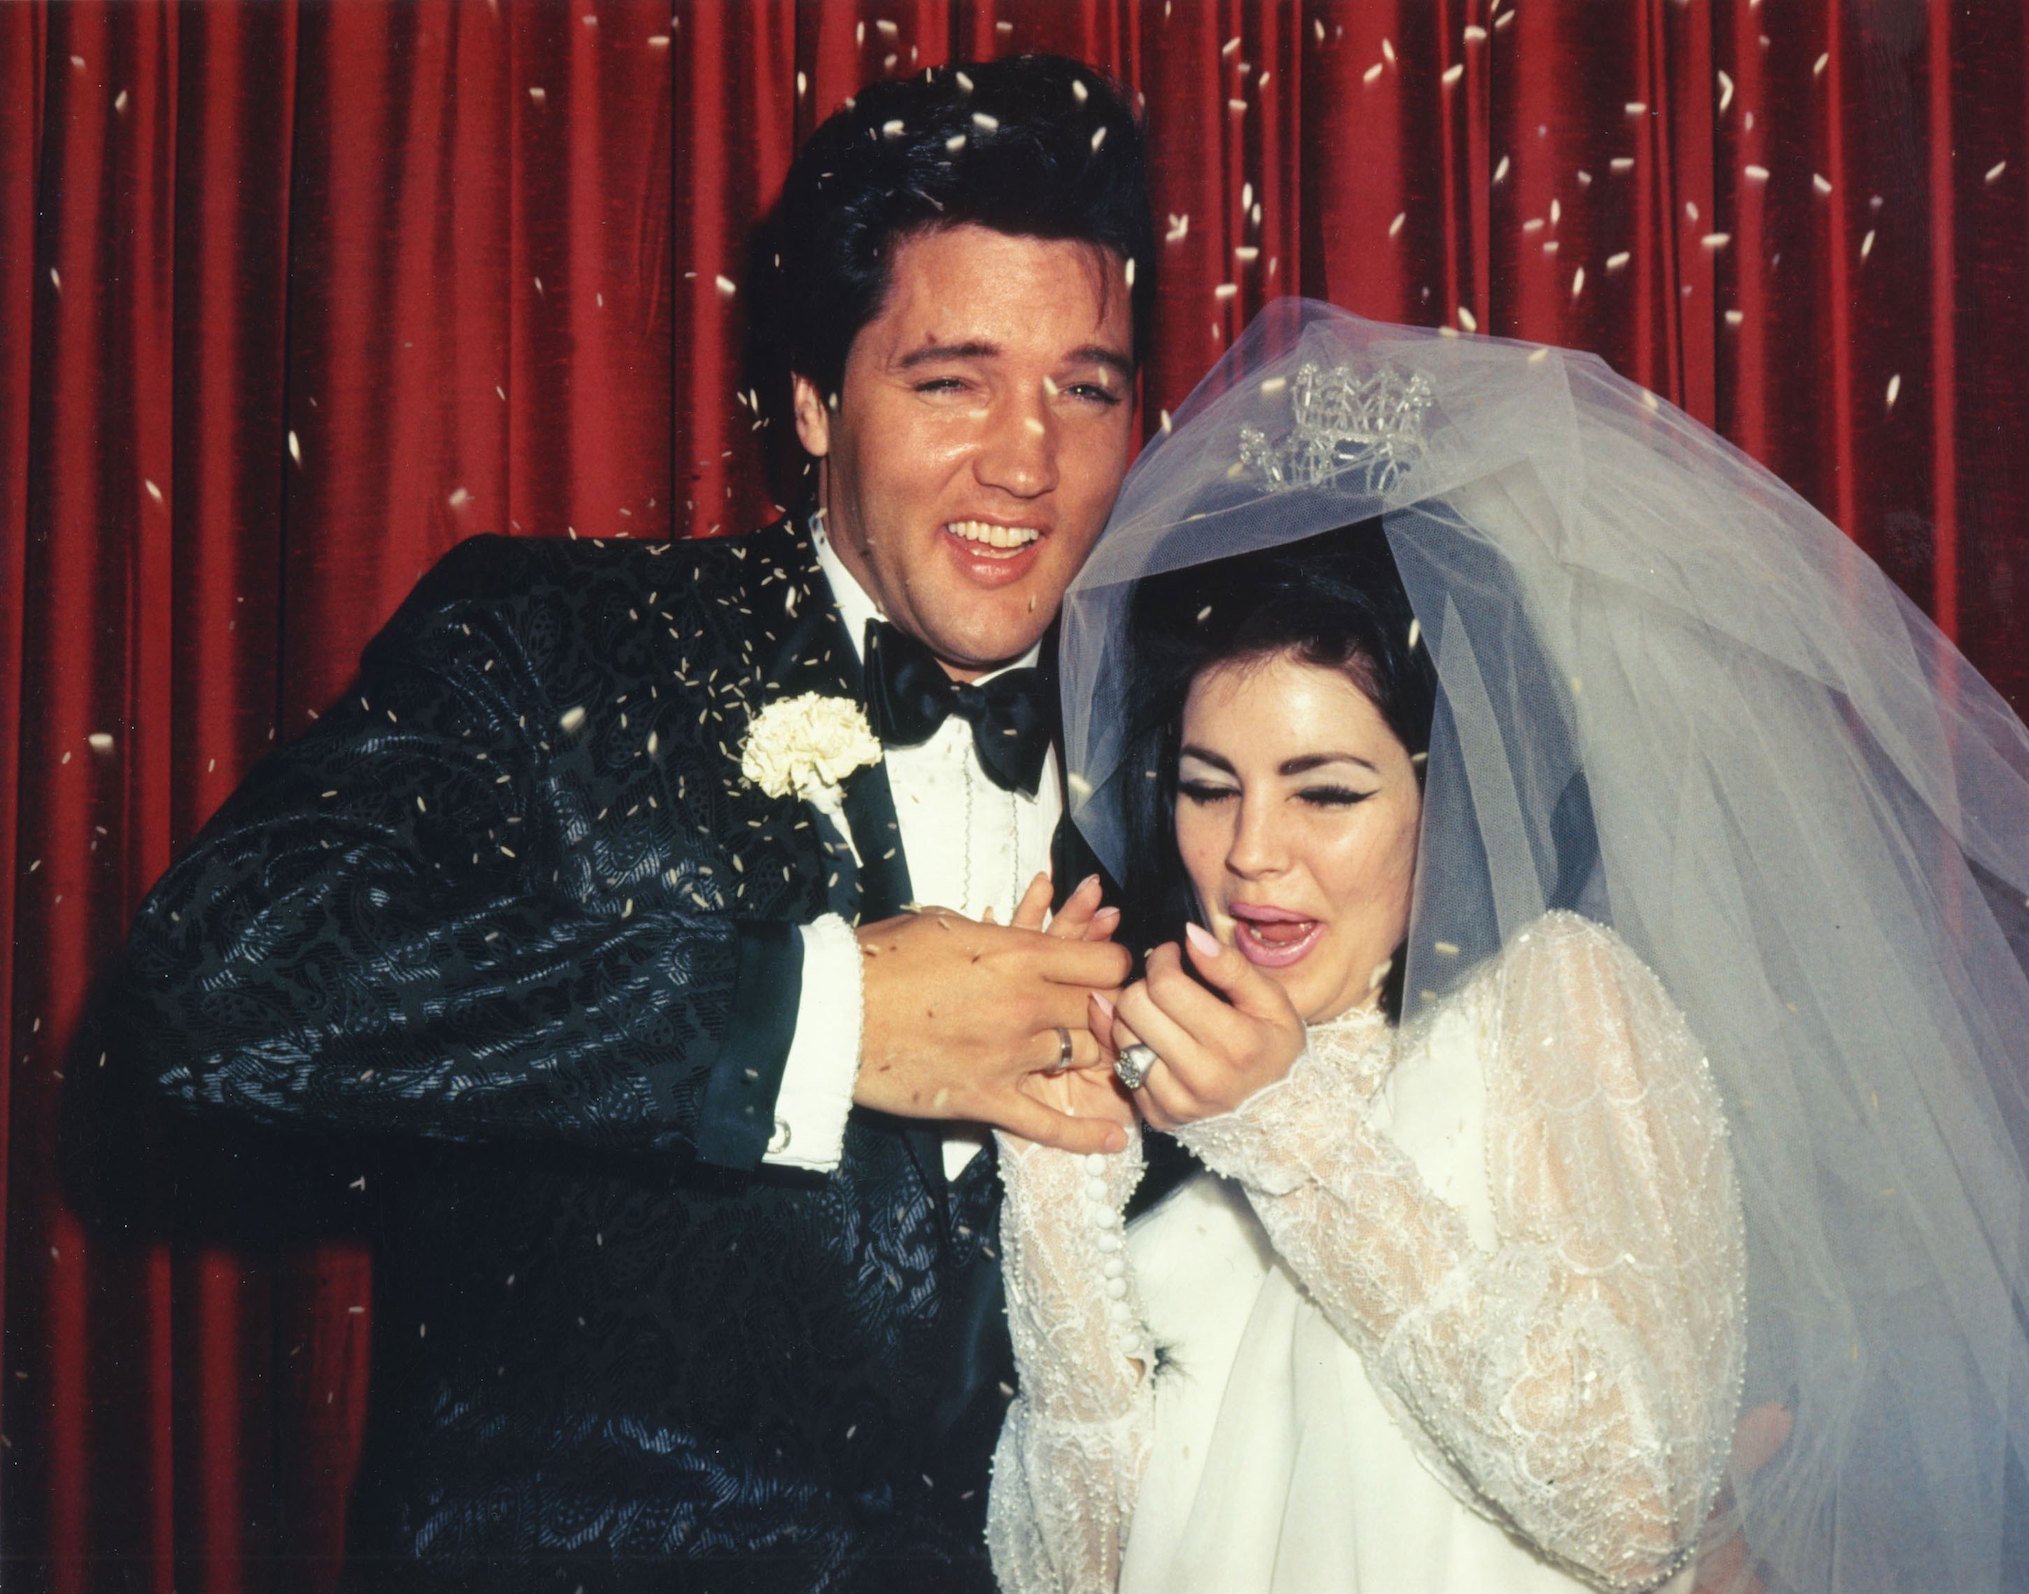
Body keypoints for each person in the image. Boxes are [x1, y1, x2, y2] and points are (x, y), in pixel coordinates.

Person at [106, 56, 1151, 1592]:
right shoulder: (549, 637)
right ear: (811, 399)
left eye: (1085, 387)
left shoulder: (1210, 749)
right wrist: (822, 1016)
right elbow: (215, 992)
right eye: (950, 378)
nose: (1025, 458)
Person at [985, 301, 2029, 1593]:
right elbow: (1058, 1578)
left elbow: (1633, 1501)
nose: (1249, 851)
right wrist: (1053, 1193)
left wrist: (1293, 1140)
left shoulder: (1556, 1001)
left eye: (1325, 791)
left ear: (1452, 795)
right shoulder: (1173, 1063)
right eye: (1209, 786)